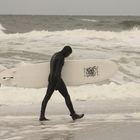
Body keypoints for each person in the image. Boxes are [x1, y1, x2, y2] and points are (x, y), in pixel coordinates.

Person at [40, 46, 84, 121]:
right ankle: (73, 114)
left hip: (50, 78)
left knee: (47, 97)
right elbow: (57, 71)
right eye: (69, 54)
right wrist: (57, 83)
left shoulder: (55, 55)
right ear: (66, 52)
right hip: (57, 79)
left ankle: (41, 116)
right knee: (66, 96)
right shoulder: (61, 58)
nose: (68, 56)